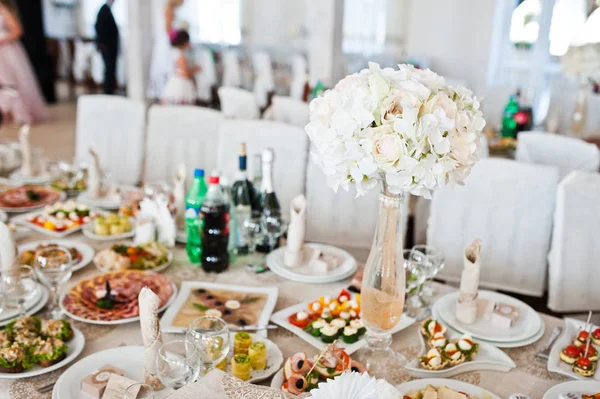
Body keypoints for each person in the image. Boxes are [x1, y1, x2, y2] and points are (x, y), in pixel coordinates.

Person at [0, 0, 47, 124]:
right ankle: (4, 113)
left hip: (7, 51)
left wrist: (2, 40)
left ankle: (18, 113)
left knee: (12, 81)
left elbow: (17, 31)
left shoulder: (4, 11)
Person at [148, 0, 186, 100]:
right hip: (166, 44)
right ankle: (164, 95)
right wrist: (180, 38)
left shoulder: (171, 10)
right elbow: (168, 31)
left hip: (167, 43)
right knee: (166, 68)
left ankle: (167, 94)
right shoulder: (168, 10)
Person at [161, 30, 198, 105]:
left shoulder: (172, 52)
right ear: (184, 42)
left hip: (172, 82)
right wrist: (194, 70)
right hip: (180, 85)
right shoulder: (180, 55)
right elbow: (185, 74)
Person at [94, 0, 119, 95]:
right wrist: (101, 43)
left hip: (111, 46)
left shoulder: (108, 10)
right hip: (107, 46)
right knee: (108, 69)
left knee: (111, 69)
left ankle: (110, 90)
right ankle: (108, 91)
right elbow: (98, 27)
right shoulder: (104, 10)